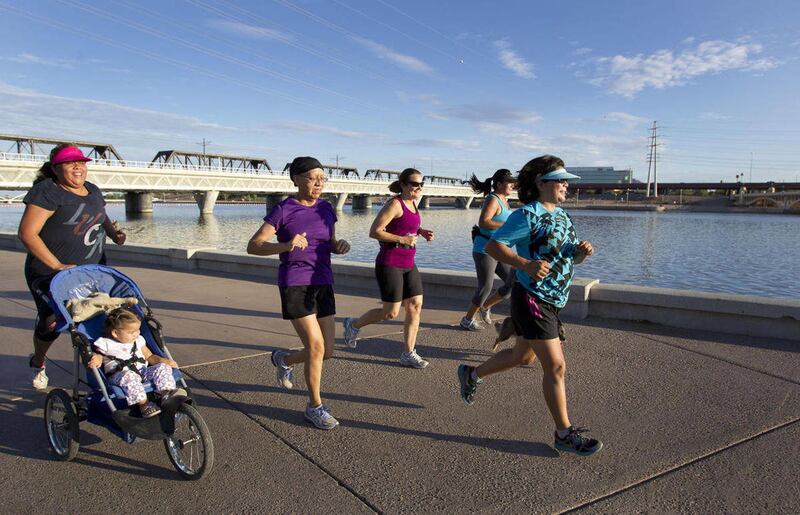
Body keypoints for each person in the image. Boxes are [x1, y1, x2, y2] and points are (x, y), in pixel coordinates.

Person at [456, 155, 603, 456]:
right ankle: (564, 433)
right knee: (556, 366)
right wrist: (525, 264)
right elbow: (492, 245)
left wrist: (581, 253)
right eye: (560, 180)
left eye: (566, 180)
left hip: (554, 299)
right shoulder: (527, 215)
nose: (566, 185)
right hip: (533, 298)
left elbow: (567, 256)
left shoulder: (562, 216)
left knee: (524, 358)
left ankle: (471, 374)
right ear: (540, 184)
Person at [247, 156, 350, 430]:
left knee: (327, 351)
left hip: (323, 281)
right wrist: (286, 245)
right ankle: (314, 406)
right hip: (295, 282)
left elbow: (327, 241)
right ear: (295, 179)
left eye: (322, 178)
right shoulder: (283, 210)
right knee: (315, 347)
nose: (319, 183)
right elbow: (254, 245)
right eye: (312, 177)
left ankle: (284, 359)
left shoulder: (327, 209)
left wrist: (337, 245)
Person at [18, 144, 126, 390]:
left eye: (81, 162)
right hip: (49, 273)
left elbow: (102, 216)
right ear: (55, 168)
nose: (78, 166)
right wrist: (57, 265)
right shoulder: (47, 192)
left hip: (92, 271)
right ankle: (38, 361)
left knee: (102, 319)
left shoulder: (93, 191)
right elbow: (27, 233)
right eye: (70, 162)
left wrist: (114, 233)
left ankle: (106, 371)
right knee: (53, 322)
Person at [341, 168, 434, 368]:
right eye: (414, 184)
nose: (419, 188)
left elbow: (405, 226)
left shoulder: (413, 204)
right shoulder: (395, 204)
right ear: (403, 184)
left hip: (409, 263)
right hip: (390, 262)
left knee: (415, 306)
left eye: (421, 184)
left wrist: (420, 231)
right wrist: (403, 239)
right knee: (390, 313)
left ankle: (408, 353)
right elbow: (374, 231)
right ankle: (353, 324)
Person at [88, 308, 180, 418]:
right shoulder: (106, 343)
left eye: (138, 330)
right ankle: (144, 405)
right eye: (132, 332)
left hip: (142, 372)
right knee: (129, 376)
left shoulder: (138, 340)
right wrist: (97, 358)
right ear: (115, 333)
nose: (137, 333)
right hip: (120, 376)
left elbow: (149, 356)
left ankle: (166, 393)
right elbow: (98, 354)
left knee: (162, 367)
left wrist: (163, 361)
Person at [459, 169, 517, 332]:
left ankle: (486, 306)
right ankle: (467, 320)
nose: (512, 185)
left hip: (500, 249)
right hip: (485, 248)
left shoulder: (505, 200)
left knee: (513, 282)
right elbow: (484, 222)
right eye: (509, 182)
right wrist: (507, 226)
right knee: (485, 286)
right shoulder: (493, 199)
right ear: (499, 183)